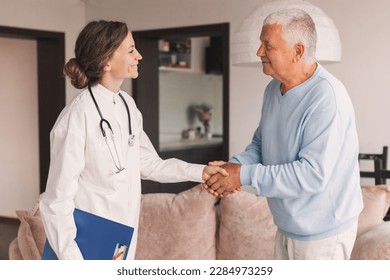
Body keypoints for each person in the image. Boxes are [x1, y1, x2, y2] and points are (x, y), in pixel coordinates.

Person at [39, 20, 228, 260]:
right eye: (130, 50)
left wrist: (201, 172)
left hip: (123, 234)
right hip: (84, 242)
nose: (138, 55)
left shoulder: (127, 105)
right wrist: (74, 263)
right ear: (106, 61)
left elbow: (149, 163)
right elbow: (56, 200)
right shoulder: (76, 117)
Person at [204, 8, 363, 260]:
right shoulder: (272, 90)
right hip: (287, 225)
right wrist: (232, 167)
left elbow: (312, 175)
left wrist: (242, 176)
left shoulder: (326, 97)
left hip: (323, 234)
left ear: (297, 51)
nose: (259, 52)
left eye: (267, 45)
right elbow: (261, 144)